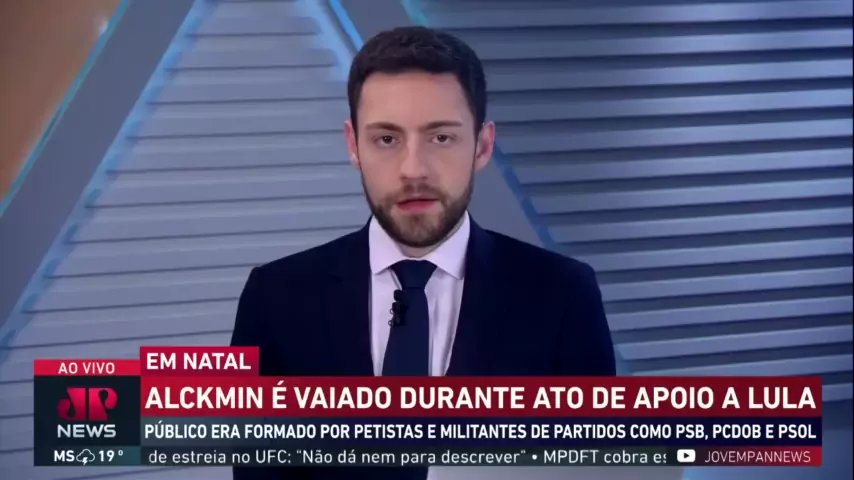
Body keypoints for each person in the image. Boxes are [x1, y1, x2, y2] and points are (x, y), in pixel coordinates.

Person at [231, 26, 616, 480]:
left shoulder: (563, 295)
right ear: (354, 145)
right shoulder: (275, 298)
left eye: (441, 138)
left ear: (482, 145)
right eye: (387, 139)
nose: (413, 170)